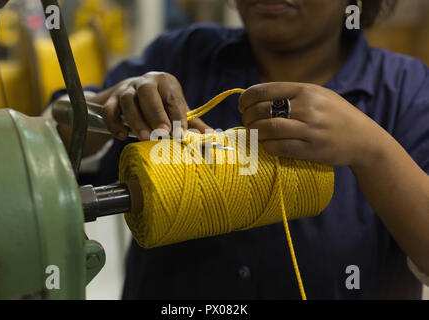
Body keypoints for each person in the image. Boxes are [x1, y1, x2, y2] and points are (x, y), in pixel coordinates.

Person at [51, 0, 429, 299]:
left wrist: (373, 151)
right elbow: (54, 135)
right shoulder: (179, 56)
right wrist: (113, 102)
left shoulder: (406, 92)